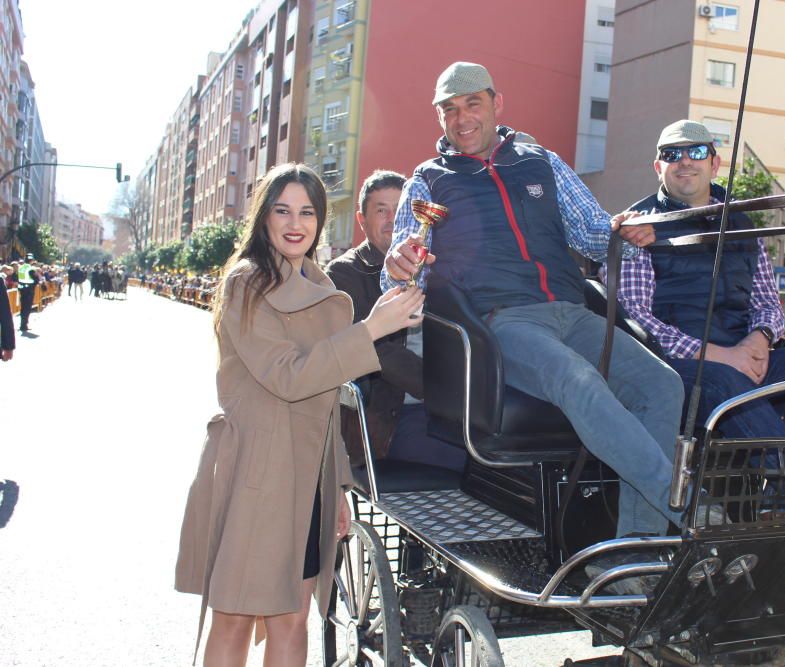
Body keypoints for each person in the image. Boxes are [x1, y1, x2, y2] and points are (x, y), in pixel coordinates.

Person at [382, 62, 688, 542]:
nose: (461, 118)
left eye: (472, 104)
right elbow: (401, 266)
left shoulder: (540, 161)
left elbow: (591, 234)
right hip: (501, 323)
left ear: (496, 104)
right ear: (439, 118)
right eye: (449, 110)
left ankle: (637, 550)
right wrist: (399, 263)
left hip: (573, 312)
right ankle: (686, 506)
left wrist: (624, 231)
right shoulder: (428, 180)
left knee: (663, 384)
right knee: (576, 378)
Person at [175, 163, 424, 667]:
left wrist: (335, 489)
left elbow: (324, 399)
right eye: (282, 209)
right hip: (256, 470)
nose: (296, 222)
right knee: (237, 616)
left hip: (306, 477)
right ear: (263, 217)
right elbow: (288, 377)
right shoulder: (247, 282)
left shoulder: (315, 281)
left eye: (307, 212)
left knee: (293, 616)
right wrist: (371, 330)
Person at [607, 118, 785, 512]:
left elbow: (769, 302)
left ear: (715, 163)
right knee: (721, 381)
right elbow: (637, 321)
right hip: (676, 368)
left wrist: (757, 341)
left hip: (741, 354)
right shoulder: (637, 228)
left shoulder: (741, 223)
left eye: (696, 152)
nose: (684, 162)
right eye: (672, 155)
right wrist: (723, 356)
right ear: (658, 167)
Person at [326, 169, 465, 471]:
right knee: (475, 463)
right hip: (390, 416)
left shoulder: (429, 265)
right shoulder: (344, 273)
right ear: (362, 221)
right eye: (381, 211)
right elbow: (380, 352)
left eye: (398, 209)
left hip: (445, 406)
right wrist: (446, 391)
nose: (391, 219)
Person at [16, 254, 39, 334]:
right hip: (29, 290)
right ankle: (24, 325)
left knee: (23, 307)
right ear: (32, 260)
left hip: (22, 289)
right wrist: (34, 284)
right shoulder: (30, 268)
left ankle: (22, 324)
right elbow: (36, 279)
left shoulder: (21, 267)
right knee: (27, 308)